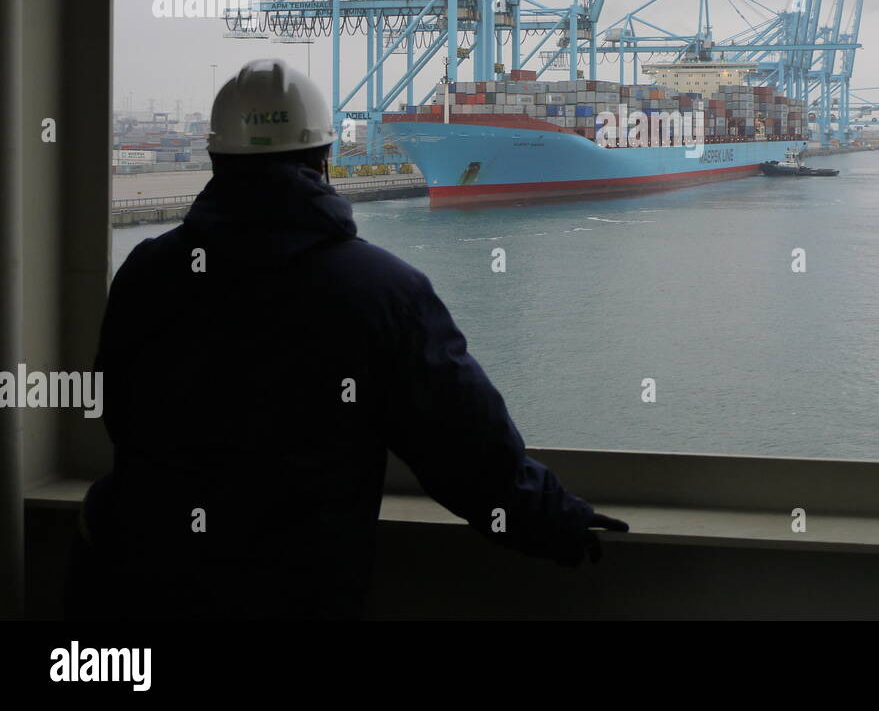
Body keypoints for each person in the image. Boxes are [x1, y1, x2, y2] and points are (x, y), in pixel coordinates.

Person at [68, 59, 626, 619]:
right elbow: (463, 447)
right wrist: (555, 519)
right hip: (296, 591)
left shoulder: (146, 272)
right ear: (324, 157)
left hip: (133, 581)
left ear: (215, 157)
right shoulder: (384, 291)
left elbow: (120, 411)